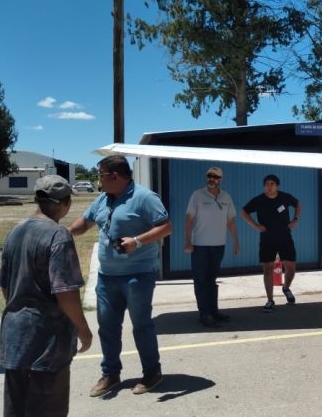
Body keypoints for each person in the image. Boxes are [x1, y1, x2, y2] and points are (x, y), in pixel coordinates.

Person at [68, 155, 172, 397]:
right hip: (107, 278)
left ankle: (152, 373)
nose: (99, 181)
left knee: (141, 326)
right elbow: (84, 222)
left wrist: (137, 241)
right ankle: (111, 374)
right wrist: (61, 234)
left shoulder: (145, 197)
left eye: (101, 175)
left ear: (114, 176)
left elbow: (166, 226)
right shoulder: (103, 199)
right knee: (108, 327)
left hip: (138, 275)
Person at [0, 175, 93, 417]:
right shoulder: (58, 235)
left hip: (15, 336)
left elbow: (5, 287)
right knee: (48, 408)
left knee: (16, 407)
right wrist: (83, 329)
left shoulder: (15, 231)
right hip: (47, 340)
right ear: (65, 203)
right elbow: (65, 291)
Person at [185, 166, 240, 327]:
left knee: (211, 280)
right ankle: (204, 314)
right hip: (200, 246)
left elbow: (230, 221)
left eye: (215, 177)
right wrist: (187, 241)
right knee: (200, 280)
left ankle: (214, 311)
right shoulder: (197, 195)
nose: (211, 179)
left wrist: (236, 241)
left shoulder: (226, 197)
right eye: (209, 176)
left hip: (218, 246)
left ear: (220, 180)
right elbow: (188, 219)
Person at [241, 174, 301, 312]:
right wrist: (255, 226)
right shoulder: (259, 200)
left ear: (277, 186)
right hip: (267, 239)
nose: (269, 186)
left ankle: (286, 288)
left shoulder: (285, 197)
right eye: (267, 184)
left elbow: (298, 204)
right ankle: (270, 300)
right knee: (268, 269)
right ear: (264, 186)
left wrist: (295, 219)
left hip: (285, 237)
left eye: (272, 184)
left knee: (291, 267)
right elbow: (244, 212)